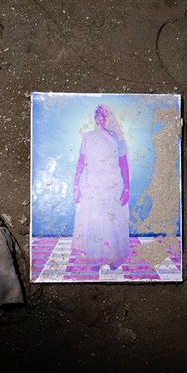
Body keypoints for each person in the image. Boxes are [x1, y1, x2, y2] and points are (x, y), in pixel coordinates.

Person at [72, 104, 130, 275]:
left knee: (112, 222)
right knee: (95, 221)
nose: (100, 119)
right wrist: (76, 186)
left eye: (103, 116)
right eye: (97, 116)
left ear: (109, 117)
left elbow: (123, 164)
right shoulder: (88, 138)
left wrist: (126, 189)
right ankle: (95, 258)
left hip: (112, 185)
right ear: (94, 118)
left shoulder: (117, 139)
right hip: (93, 185)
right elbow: (81, 162)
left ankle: (113, 258)